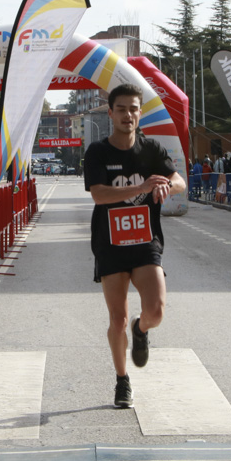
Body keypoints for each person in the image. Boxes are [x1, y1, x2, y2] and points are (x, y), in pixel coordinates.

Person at [83, 84, 186, 409]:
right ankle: (122, 380)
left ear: (140, 114)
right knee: (116, 318)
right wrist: (140, 186)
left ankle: (140, 331)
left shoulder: (151, 149)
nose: (128, 115)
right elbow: (99, 194)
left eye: (134, 109)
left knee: (155, 310)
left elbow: (180, 180)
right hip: (110, 244)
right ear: (111, 113)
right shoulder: (98, 152)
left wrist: (168, 185)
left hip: (145, 242)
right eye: (122, 109)